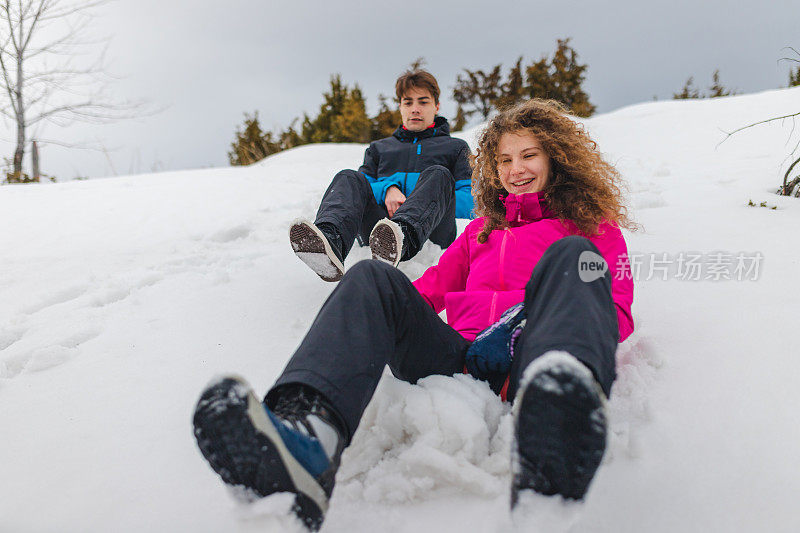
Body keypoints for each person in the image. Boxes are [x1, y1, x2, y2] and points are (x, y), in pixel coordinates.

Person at [192, 99, 635, 530]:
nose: (515, 169)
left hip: (535, 354)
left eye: (528, 155)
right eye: (503, 160)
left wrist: (528, 324)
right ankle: (308, 440)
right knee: (370, 278)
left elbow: (612, 309)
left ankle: (560, 423)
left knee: (575, 258)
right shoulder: (482, 231)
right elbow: (426, 292)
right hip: (462, 356)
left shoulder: (593, 229)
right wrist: (383, 312)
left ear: (555, 158)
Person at [289, 69, 473, 282]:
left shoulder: (455, 148)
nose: (415, 109)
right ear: (400, 106)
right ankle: (330, 242)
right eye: (408, 102)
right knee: (349, 177)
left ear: (437, 106)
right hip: (377, 231)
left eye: (423, 102)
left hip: (434, 233)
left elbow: (469, 201)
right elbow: (362, 189)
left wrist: (418, 200)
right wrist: (388, 189)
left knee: (438, 174)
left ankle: (402, 237)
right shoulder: (380, 148)